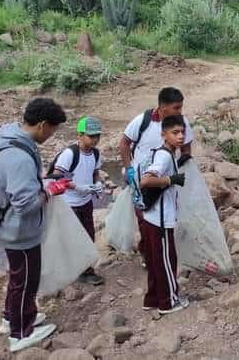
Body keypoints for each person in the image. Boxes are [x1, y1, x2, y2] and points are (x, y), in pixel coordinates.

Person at [0, 98, 71, 352]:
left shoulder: (9, 140)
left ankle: (10, 317)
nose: (51, 136)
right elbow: (25, 204)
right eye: (52, 130)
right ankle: (21, 332)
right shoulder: (18, 156)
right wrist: (50, 191)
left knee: (18, 278)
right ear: (42, 125)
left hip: (8, 225)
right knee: (26, 279)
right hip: (19, 231)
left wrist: (44, 183)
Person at [119, 87, 194, 263]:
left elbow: (186, 148)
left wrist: (183, 162)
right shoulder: (142, 121)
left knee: (162, 216)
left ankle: (159, 254)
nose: (180, 112)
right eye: (176, 108)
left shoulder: (181, 123)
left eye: (181, 107)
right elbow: (124, 144)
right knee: (144, 217)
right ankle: (148, 254)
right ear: (162, 107)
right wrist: (129, 169)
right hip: (141, 180)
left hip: (164, 180)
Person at [138, 115, 190, 314]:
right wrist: (171, 179)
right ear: (164, 135)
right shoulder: (164, 156)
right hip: (160, 219)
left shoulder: (167, 153)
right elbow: (146, 181)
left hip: (152, 217)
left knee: (155, 260)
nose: (180, 136)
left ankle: (152, 299)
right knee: (167, 260)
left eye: (182, 132)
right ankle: (168, 302)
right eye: (175, 133)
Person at [50, 116, 105, 286]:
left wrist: (97, 184)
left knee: (88, 236)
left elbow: (95, 172)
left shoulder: (95, 153)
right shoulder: (69, 154)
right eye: (91, 136)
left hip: (85, 202)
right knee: (72, 238)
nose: (95, 140)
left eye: (97, 136)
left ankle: (84, 270)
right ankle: (78, 271)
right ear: (80, 135)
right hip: (69, 204)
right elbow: (57, 177)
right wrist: (77, 187)